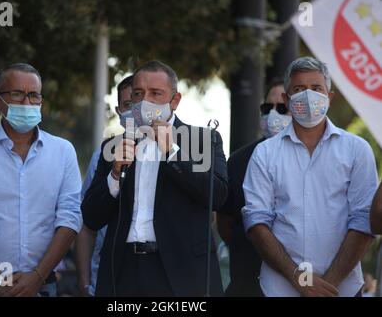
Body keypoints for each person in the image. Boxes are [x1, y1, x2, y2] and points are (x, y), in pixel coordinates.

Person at [82, 60, 228, 296]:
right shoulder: (114, 145)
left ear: (175, 100)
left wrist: (172, 153)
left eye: (155, 94)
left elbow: (218, 196)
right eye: (138, 93)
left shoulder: (202, 139)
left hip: (182, 274)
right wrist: (115, 174)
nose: (144, 101)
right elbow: (90, 216)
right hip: (123, 272)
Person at [242, 57, 378, 297]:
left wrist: (326, 287)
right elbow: (256, 222)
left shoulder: (357, 150)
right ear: (286, 99)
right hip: (279, 289)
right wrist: (301, 280)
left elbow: (363, 220)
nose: (308, 96)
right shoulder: (265, 153)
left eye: (316, 89)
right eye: (299, 89)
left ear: (330, 97)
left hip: (343, 290)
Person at [0, 63, 82, 297]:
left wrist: (37, 277)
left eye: (33, 95)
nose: (26, 103)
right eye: (17, 95)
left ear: (41, 101)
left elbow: (70, 219)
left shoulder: (63, 151)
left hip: (41, 284)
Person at [217, 78, 291, 297]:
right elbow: (225, 223)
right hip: (248, 281)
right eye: (268, 107)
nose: (274, 114)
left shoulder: (314, 157)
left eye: (282, 108)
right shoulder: (239, 160)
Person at [75, 75, 133, 296]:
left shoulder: (174, 152)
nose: (134, 110)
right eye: (128, 105)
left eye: (139, 102)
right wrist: (84, 284)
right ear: (118, 111)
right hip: (107, 278)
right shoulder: (104, 153)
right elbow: (86, 223)